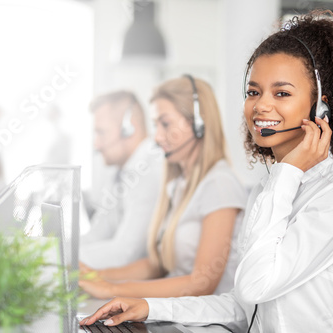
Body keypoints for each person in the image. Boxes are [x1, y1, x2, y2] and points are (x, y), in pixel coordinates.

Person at [80, 11, 333, 332]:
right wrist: (147, 306)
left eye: (281, 93)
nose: (261, 106)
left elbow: (257, 285)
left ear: (319, 108)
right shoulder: (266, 191)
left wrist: (289, 171)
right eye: (254, 92)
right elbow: (243, 304)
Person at [79, 75, 247, 299]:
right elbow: (157, 265)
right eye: (156, 125)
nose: (157, 137)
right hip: (178, 313)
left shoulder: (220, 184)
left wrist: (113, 290)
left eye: (165, 124)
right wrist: (94, 277)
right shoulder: (179, 185)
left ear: (198, 124)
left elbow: (201, 283)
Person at [80, 91, 163, 269]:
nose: (97, 145)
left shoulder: (150, 171)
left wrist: (56, 260)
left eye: (101, 133)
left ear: (129, 129)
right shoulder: (119, 171)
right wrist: (43, 251)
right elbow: (97, 235)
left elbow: (125, 254)